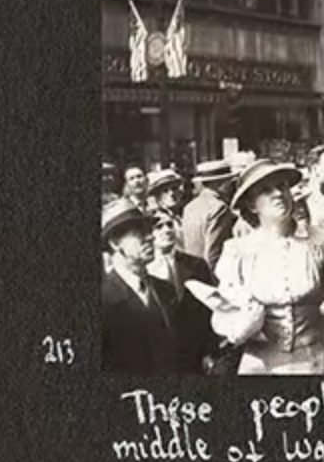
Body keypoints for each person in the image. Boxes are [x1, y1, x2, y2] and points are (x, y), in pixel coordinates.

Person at [214, 159, 324, 375]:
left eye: (282, 186)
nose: (278, 194)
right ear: (252, 205)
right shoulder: (237, 251)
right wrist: (241, 327)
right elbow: (224, 316)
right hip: (258, 367)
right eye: (266, 190)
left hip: (313, 362)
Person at [101, 198, 177, 374]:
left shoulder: (165, 290)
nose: (150, 237)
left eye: (148, 230)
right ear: (114, 242)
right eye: (138, 232)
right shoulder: (103, 299)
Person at [146, 208, 218, 374]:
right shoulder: (144, 271)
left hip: (194, 354)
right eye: (158, 226)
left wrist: (210, 351)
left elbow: (209, 310)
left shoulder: (197, 265)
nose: (167, 230)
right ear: (148, 234)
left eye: (169, 224)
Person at [181, 159, 237, 275]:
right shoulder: (219, 208)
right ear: (219, 183)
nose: (232, 185)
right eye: (229, 181)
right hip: (209, 276)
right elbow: (213, 253)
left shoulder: (189, 207)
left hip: (190, 274)